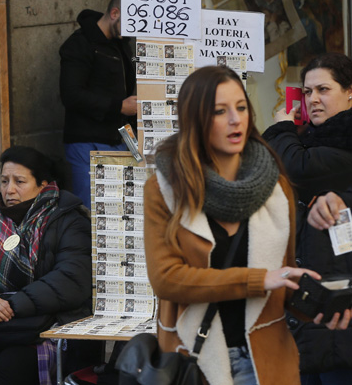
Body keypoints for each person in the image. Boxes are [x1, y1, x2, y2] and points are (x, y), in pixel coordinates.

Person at [144, 66, 350, 385]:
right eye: (219, 111)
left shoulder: (275, 184)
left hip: (267, 359)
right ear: (195, 119)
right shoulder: (166, 187)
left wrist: (322, 307)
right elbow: (166, 279)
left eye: (241, 108)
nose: (235, 119)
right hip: (196, 360)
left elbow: (282, 278)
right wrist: (260, 280)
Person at [0, 146, 93, 385]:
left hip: (42, 327)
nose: (9, 189)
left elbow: (71, 279)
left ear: (43, 184)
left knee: (2, 377)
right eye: (4, 181)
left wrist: (11, 306)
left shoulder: (68, 220)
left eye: (19, 181)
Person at [261, 53, 352, 383]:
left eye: (323, 90)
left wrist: (282, 125)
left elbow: (296, 168)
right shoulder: (310, 140)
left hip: (339, 312)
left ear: (350, 92)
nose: (313, 99)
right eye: (308, 91)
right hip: (308, 309)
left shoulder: (341, 142)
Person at [59, 0, 137, 206]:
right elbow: (71, 94)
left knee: (123, 210)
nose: (132, 30)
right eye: (130, 23)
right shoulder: (80, 44)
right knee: (93, 211)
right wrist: (120, 106)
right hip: (88, 141)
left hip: (121, 137)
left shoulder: (122, 44)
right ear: (114, 13)